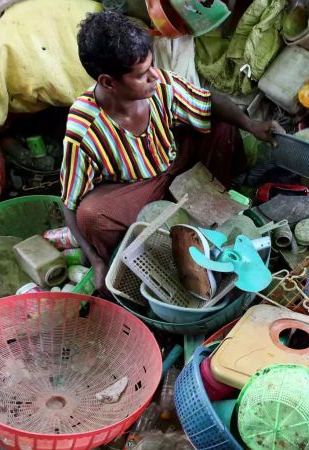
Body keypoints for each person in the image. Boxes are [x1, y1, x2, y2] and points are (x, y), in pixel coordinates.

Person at [61, 10, 278, 291]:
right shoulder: (84, 129)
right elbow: (69, 203)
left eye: (152, 66)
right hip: (138, 188)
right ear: (107, 82)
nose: (154, 76)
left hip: (179, 163)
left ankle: (220, 199)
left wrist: (252, 125)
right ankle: (125, 255)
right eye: (142, 74)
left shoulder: (161, 85)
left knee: (221, 123)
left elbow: (208, 102)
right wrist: (95, 260)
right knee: (91, 214)